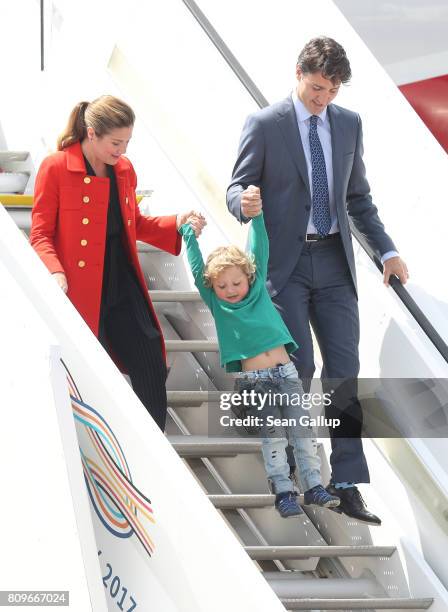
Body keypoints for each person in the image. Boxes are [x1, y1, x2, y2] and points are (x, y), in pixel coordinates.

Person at [227, 37, 409, 525]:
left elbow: (358, 198)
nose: (323, 98)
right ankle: (288, 474)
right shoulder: (265, 124)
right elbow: (237, 184)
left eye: (331, 90)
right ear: (298, 73)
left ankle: (345, 480)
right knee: (297, 369)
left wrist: (386, 251)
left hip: (334, 263)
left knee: (343, 372)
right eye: (316, 87)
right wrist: (241, 202)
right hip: (284, 268)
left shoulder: (348, 125)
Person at [30, 95, 203, 431]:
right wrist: (55, 271)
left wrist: (177, 220)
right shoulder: (56, 167)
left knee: (150, 354)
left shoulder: (123, 169)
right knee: (84, 369)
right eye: (115, 142)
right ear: (91, 133)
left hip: (121, 278)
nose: (121, 150)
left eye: (126, 142)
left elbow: (133, 223)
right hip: (79, 286)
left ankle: (154, 442)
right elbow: (40, 234)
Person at [179, 203, 341, 519]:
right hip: (256, 381)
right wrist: (189, 232)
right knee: (274, 437)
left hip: (286, 371)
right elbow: (198, 268)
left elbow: (260, 245)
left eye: (236, 283)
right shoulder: (217, 302)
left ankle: (314, 485)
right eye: (222, 285)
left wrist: (258, 216)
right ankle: (283, 490)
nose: (230, 290)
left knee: (301, 430)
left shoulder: (257, 289)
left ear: (249, 277)